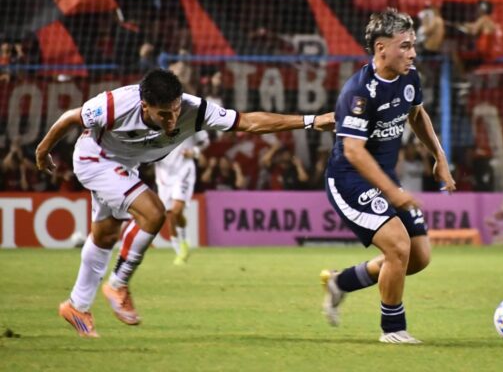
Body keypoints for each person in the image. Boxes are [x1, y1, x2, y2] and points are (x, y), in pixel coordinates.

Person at [35, 68, 334, 338]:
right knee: (154, 213)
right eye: (164, 114)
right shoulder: (116, 104)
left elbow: (249, 122)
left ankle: (76, 306)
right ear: (144, 106)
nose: (173, 120)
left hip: (126, 166)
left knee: (105, 235)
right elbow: (71, 117)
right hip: (94, 159)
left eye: (176, 111)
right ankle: (118, 283)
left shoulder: (196, 109)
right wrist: (43, 150)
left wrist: (311, 121)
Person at [320, 8, 456, 344]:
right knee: (398, 245)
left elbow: (417, 115)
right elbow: (353, 151)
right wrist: (393, 193)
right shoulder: (359, 92)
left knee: (418, 256)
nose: (413, 53)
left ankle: (341, 282)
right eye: (405, 46)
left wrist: (439, 157)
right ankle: (393, 329)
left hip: (382, 178)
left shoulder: (409, 77)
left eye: (413, 45)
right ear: (381, 48)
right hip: (349, 180)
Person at [154, 130, 210, 265]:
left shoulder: (190, 119)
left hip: (184, 170)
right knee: (170, 215)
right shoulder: (153, 124)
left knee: (176, 211)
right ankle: (178, 250)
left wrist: (194, 152)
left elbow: (205, 141)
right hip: (163, 174)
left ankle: (184, 242)